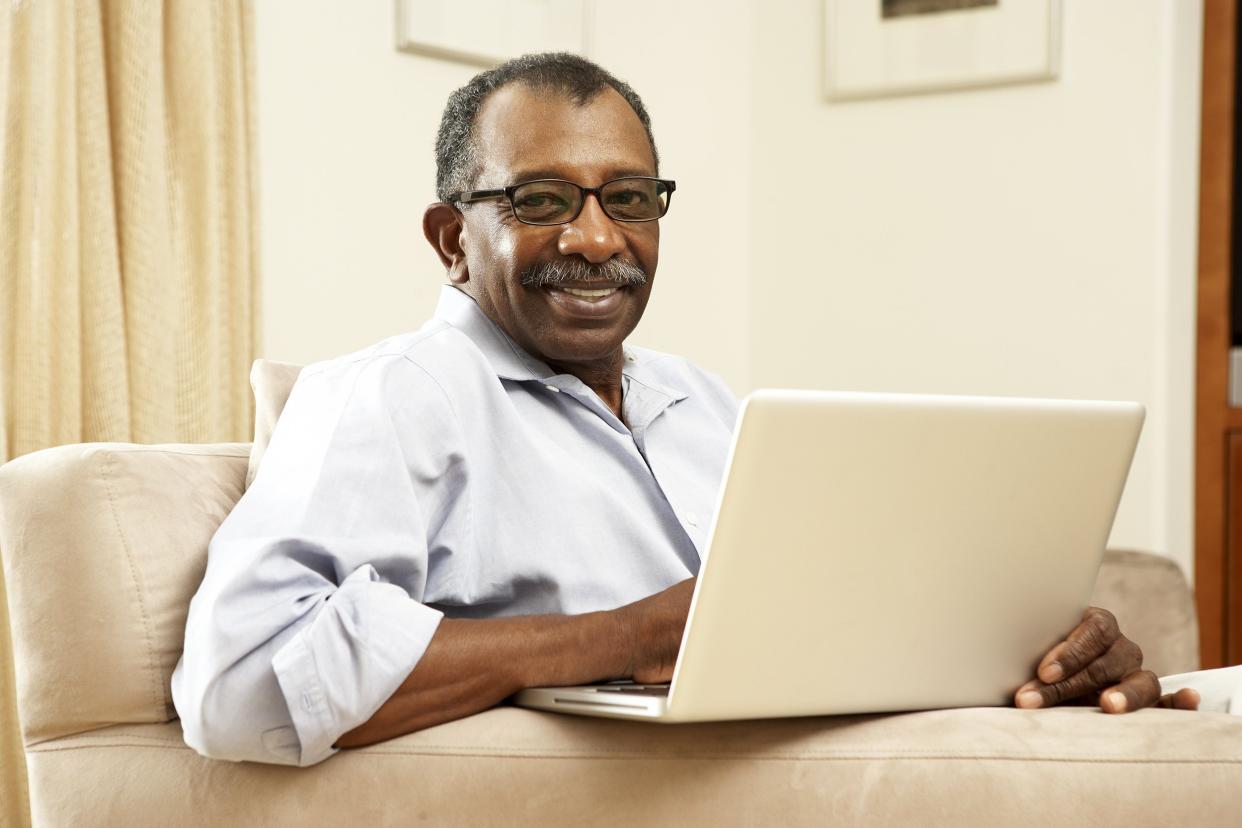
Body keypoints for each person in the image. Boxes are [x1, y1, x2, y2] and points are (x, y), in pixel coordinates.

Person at [171, 53, 1196, 768]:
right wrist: (626, 635)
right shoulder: (389, 398)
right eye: (539, 200)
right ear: (451, 238)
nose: (594, 238)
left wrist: (1040, 653)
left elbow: (838, 627)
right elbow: (243, 685)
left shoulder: (703, 402)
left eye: (628, 198)